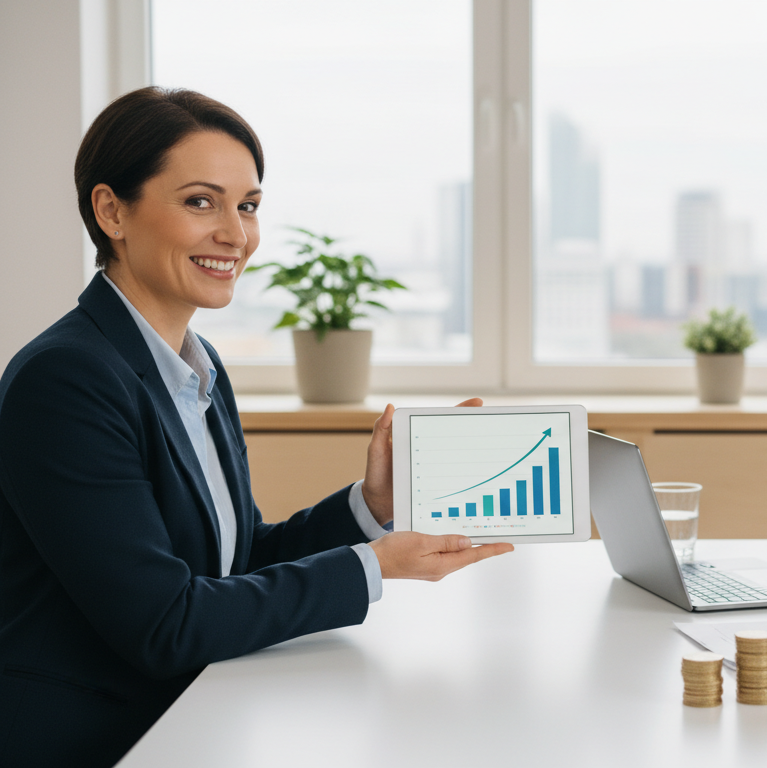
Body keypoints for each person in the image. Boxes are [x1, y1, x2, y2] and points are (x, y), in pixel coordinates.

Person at [0, 87, 512, 767]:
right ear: (111, 210)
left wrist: (372, 508)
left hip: (197, 713)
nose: (236, 235)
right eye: (200, 202)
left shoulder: (197, 368)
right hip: (102, 740)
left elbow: (231, 567)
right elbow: (166, 622)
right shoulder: (66, 380)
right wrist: (375, 568)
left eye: (248, 206)